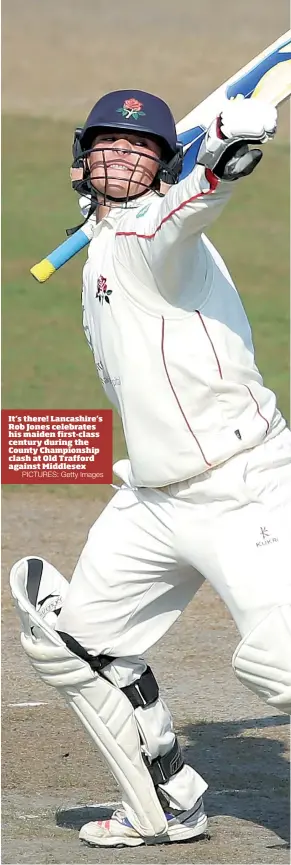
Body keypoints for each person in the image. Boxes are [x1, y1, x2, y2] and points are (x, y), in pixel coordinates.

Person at [11, 89, 291, 849]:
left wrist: (227, 158)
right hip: (155, 498)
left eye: (141, 148)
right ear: (82, 156)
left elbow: (191, 204)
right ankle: (164, 800)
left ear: (163, 164)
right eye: (109, 142)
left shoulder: (152, 231)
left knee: (280, 665)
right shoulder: (103, 237)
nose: (123, 156)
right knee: (71, 639)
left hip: (243, 486)